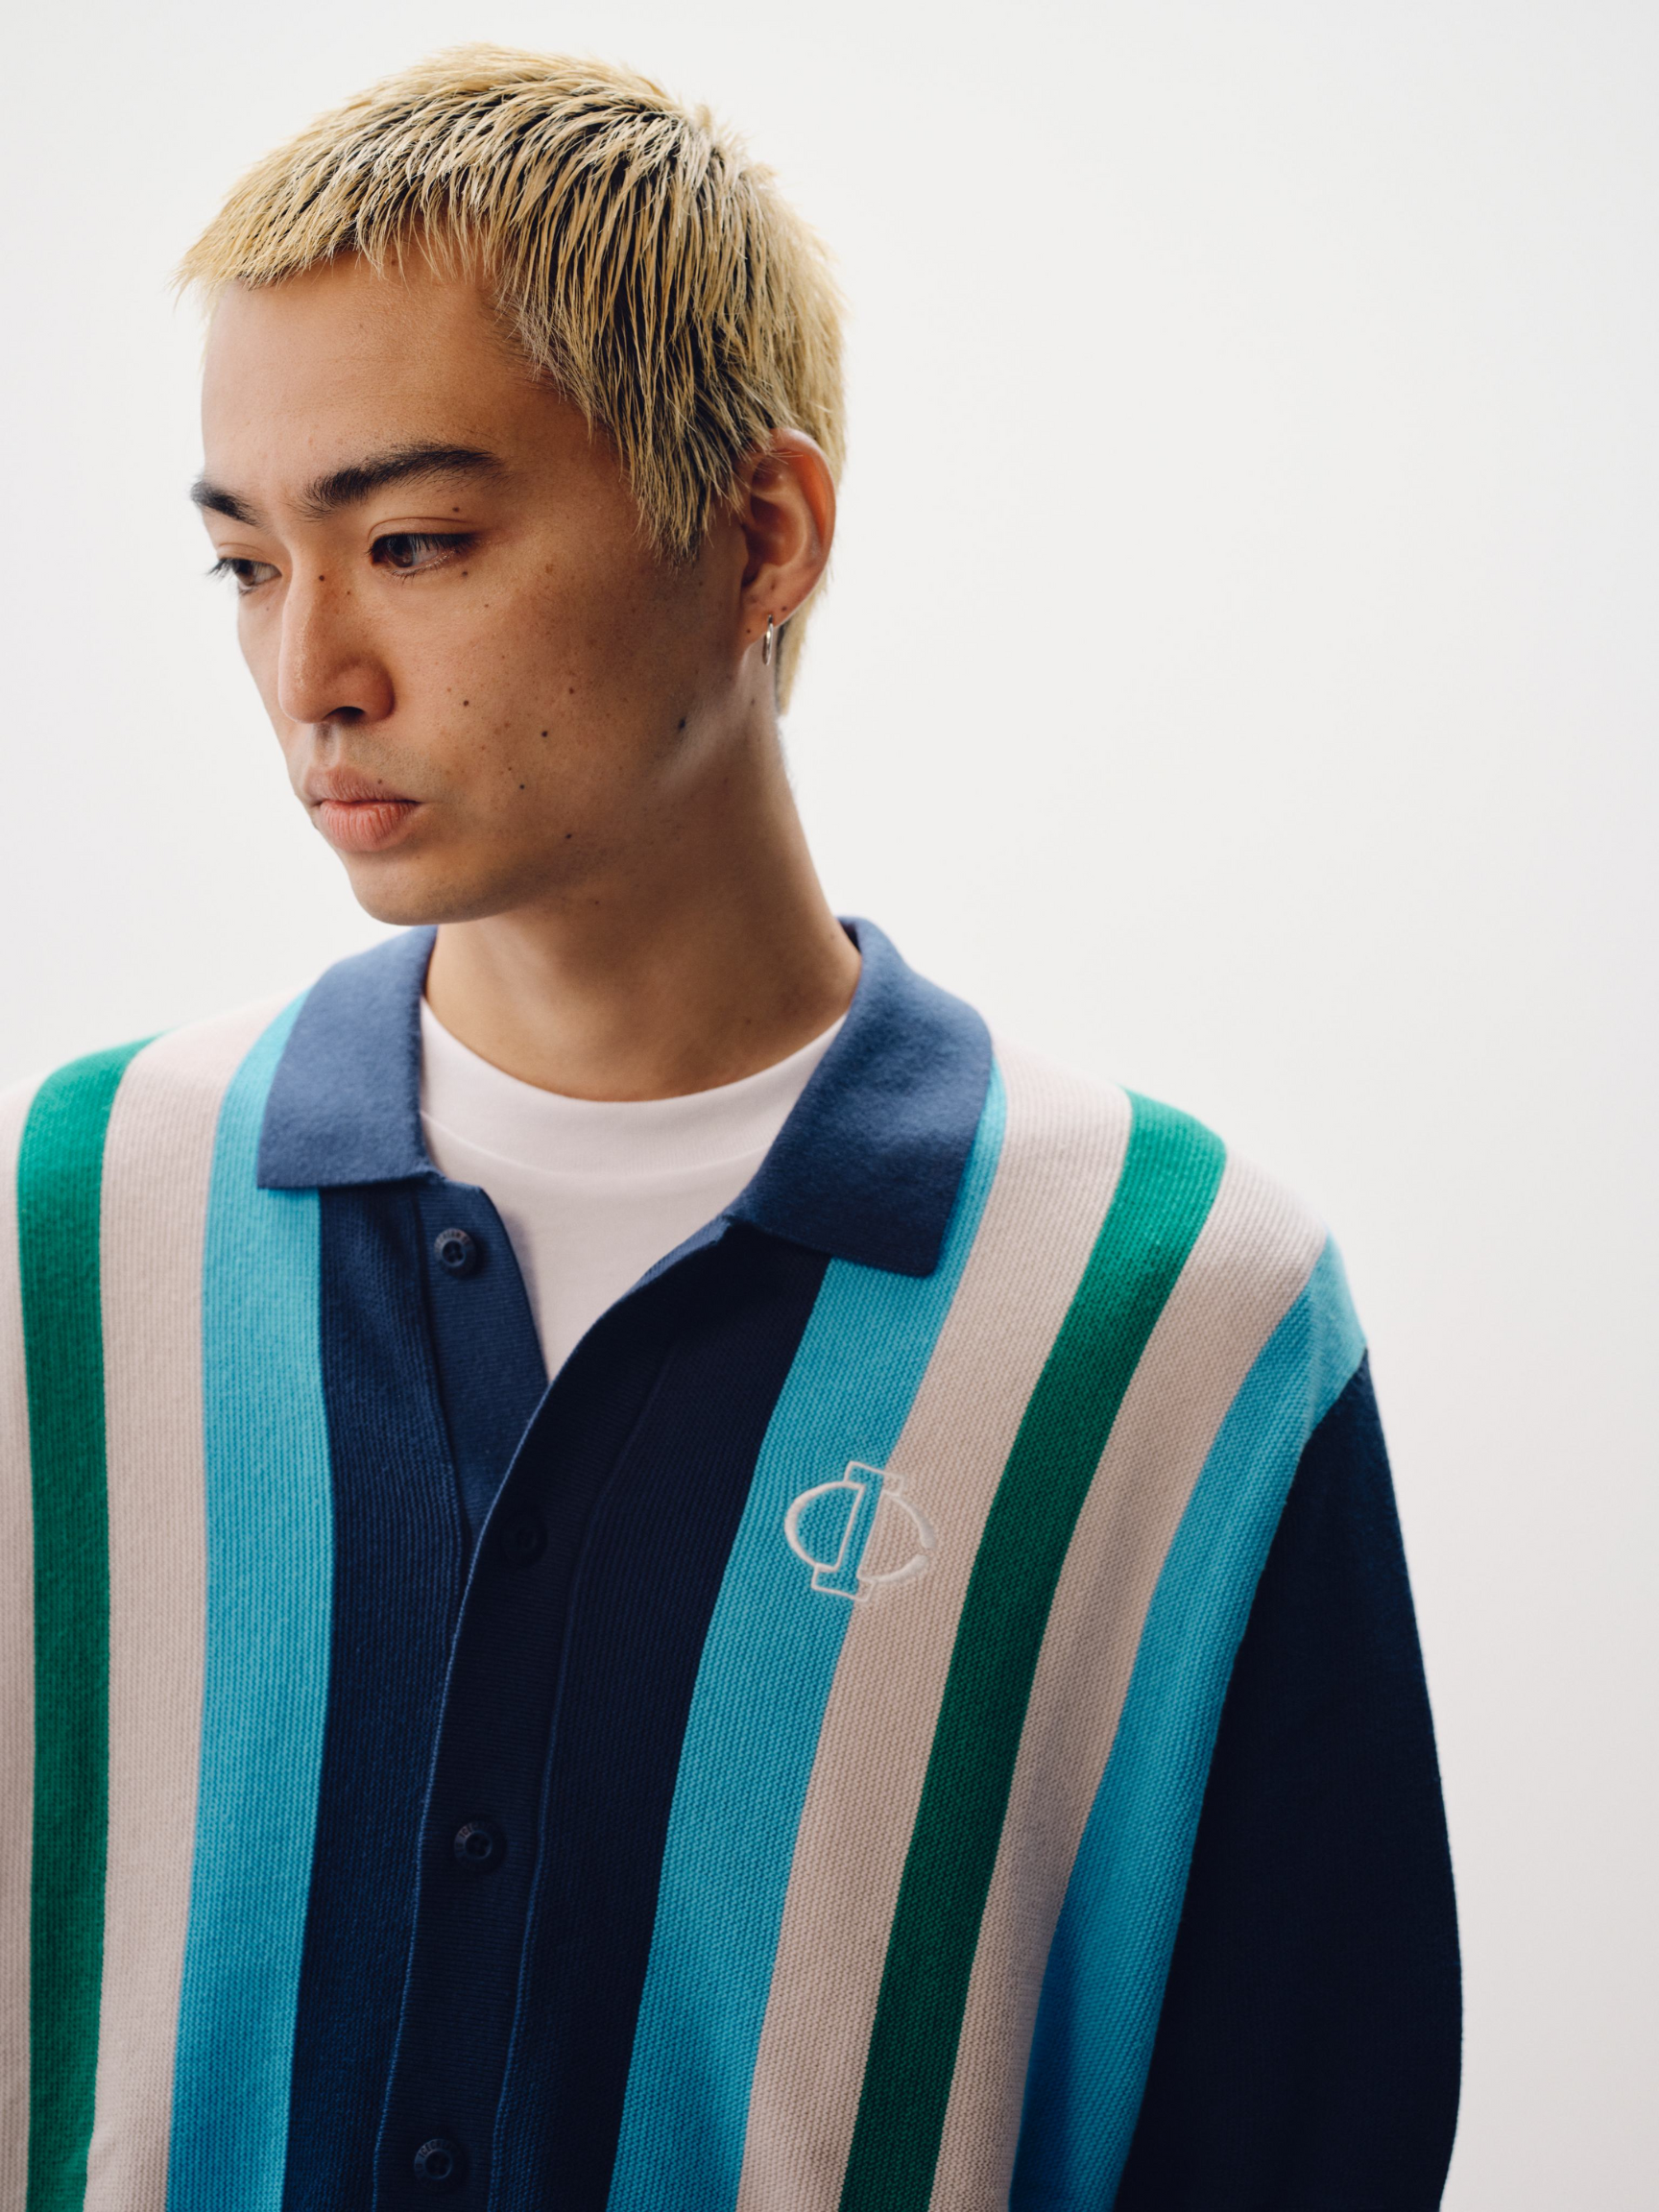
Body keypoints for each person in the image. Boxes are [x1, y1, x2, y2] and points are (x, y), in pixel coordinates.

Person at [0, 45, 1459, 2212]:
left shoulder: (1174, 1320)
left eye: (412, 543)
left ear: (759, 536)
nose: (312, 672)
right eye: (244, 564)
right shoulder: (78, 1231)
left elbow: (1304, 2138)